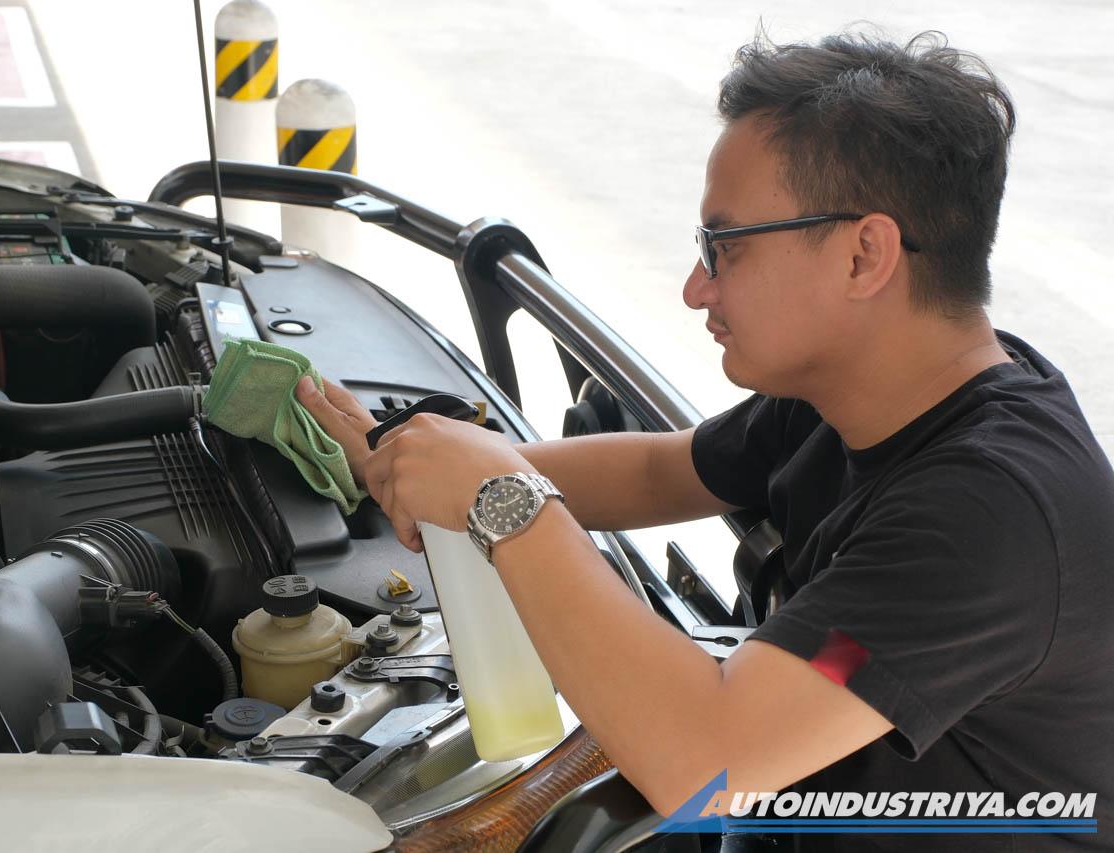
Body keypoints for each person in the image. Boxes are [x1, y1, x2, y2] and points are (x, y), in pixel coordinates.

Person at [296, 30, 1114, 851]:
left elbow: (706, 760)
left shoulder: (993, 514)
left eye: (725, 248)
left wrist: (498, 497)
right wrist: (422, 465)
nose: (696, 289)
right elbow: (662, 470)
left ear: (864, 255)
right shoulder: (863, 390)